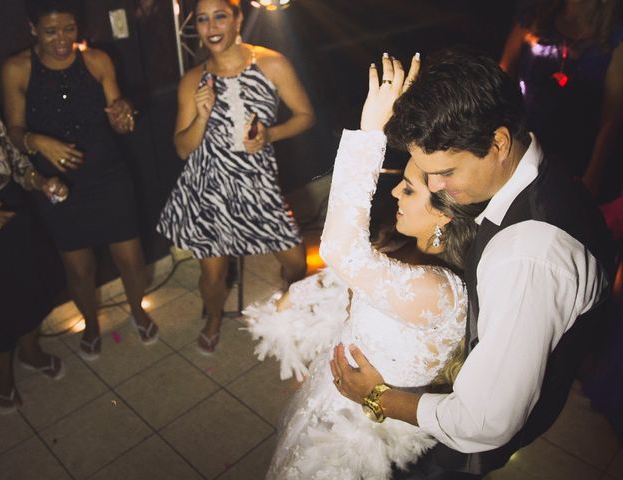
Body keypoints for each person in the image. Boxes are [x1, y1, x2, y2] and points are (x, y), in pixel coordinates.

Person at [331, 47, 614, 479]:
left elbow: (485, 422)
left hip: (454, 453)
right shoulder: (538, 171)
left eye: (445, 172)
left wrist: (378, 397)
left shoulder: (528, 259)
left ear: (499, 142)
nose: (438, 188)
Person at [244, 54, 485, 479]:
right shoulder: (415, 263)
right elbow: (354, 285)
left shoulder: (438, 290)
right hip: (332, 404)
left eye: (408, 190)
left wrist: (370, 130)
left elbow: (341, 249)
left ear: (445, 214)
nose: (395, 195)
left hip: (353, 442)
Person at [1, 0, 159, 361]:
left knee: (131, 260)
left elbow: (120, 114)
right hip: (57, 183)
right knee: (79, 268)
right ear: (33, 30)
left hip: (108, 174)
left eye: (68, 29)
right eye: (50, 31)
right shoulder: (17, 68)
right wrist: (37, 141)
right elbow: (13, 131)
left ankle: (138, 310)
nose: (61, 40)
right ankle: (90, 323)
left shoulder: (97, 61)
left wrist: (124, 115)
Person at [157, 0, 315, 355]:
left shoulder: (271, 63)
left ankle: (287, 305)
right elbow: (182, 149)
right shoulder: (192, 80)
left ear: (238, 18)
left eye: (220, 16)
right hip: (209, 187)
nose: (211, 27)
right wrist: (200, 116)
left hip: (257, 183)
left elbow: (306, 115)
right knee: (213, 274)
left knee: (295, 262)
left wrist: (270, 135)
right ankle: (213, 317)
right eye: (202, 19)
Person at [0, 102, 68, 414]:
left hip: (12, 212)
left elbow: (16, 163)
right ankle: (1, 374)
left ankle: (31, 352)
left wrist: (40, 181)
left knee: (35, 285)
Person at [499, 0, 623, 201]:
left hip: (576, 161)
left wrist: (592, 175)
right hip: (525, 150)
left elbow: (611, 118)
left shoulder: (614, 37)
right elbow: (501, 78)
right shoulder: (534, 18)